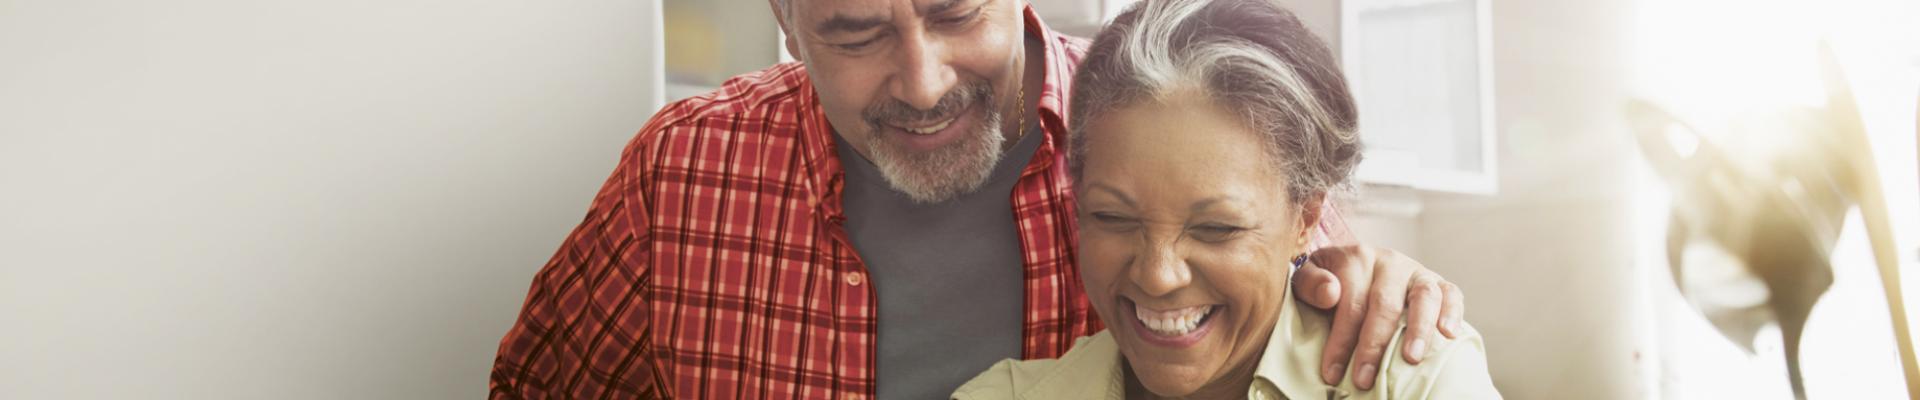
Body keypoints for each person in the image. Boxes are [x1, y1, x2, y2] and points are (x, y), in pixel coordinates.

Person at [489, 0, 1470, 398]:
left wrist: (1389, 286)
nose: (921, 81)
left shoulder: (1162, 117)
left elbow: (1314, 298)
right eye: (855, 30)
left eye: (957, 10)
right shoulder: (684, 175)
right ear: (786, 19)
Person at [952, 0, 1499, 398]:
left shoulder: (1418, 380)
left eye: (1217, 228)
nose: (1158, 276)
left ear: (1307, 217)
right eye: (1113, 217)